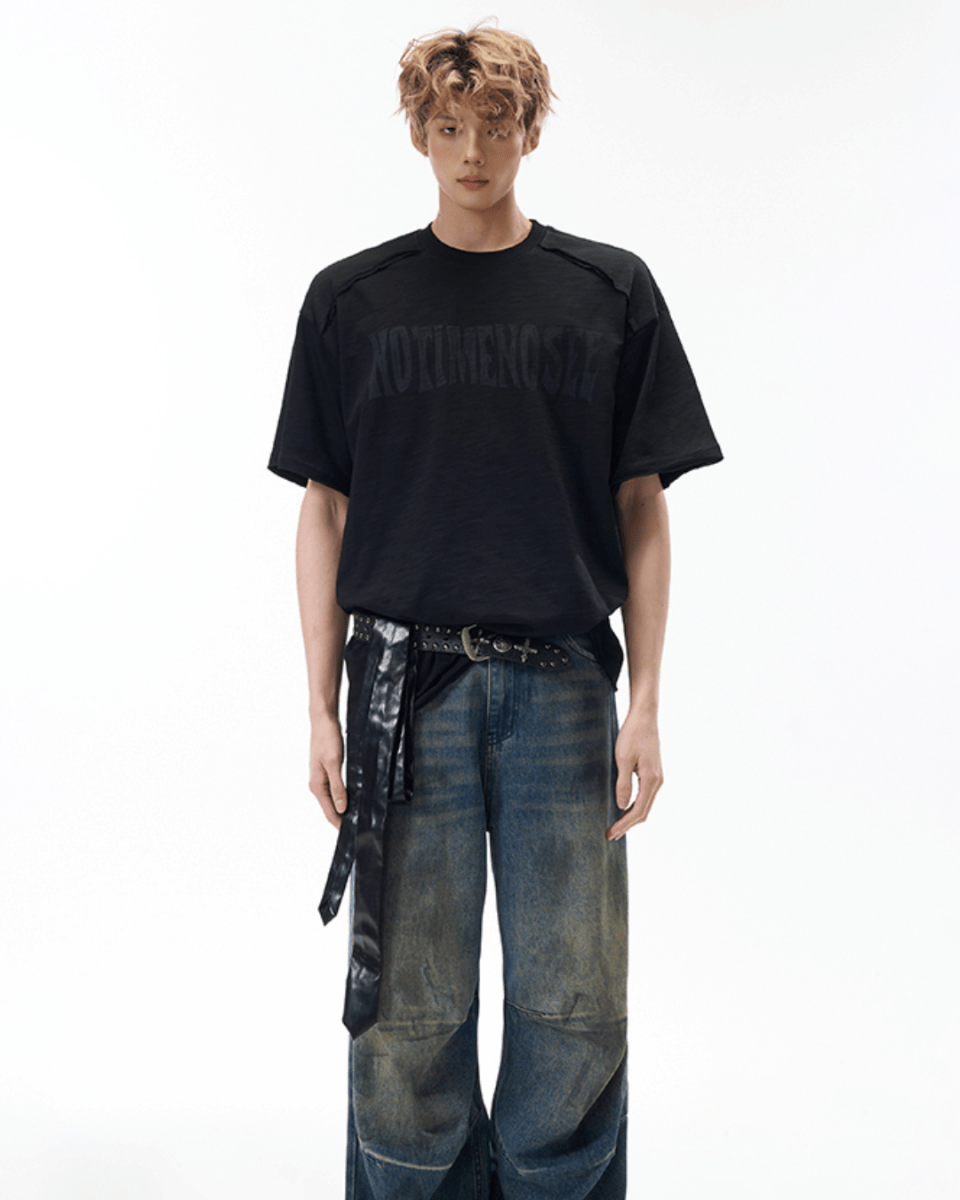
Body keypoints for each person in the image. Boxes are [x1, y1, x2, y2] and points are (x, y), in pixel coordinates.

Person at [267, 18, 723, 1200]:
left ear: (532, 130)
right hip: (401, 691)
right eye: (449, 127)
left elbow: (643, 504)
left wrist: (648, 702)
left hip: (565, 687)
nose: (472, 151)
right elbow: (324, 507)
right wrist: (318, 709)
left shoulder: (609, 292)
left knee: (575, 1003)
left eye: (497, 126)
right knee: (407, 1011)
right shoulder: (351, 301)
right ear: (418, 133)